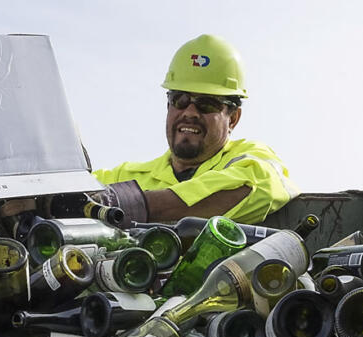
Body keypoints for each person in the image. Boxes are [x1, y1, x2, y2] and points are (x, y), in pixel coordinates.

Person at [93, 34, 298, 225]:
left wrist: (131, 204)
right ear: (168, 106)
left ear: (233, 118)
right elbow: (70, 187)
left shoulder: (249, 160)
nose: (190, 112)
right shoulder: (126, 176)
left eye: (207, 103)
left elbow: (262, 185)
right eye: (180, 100)